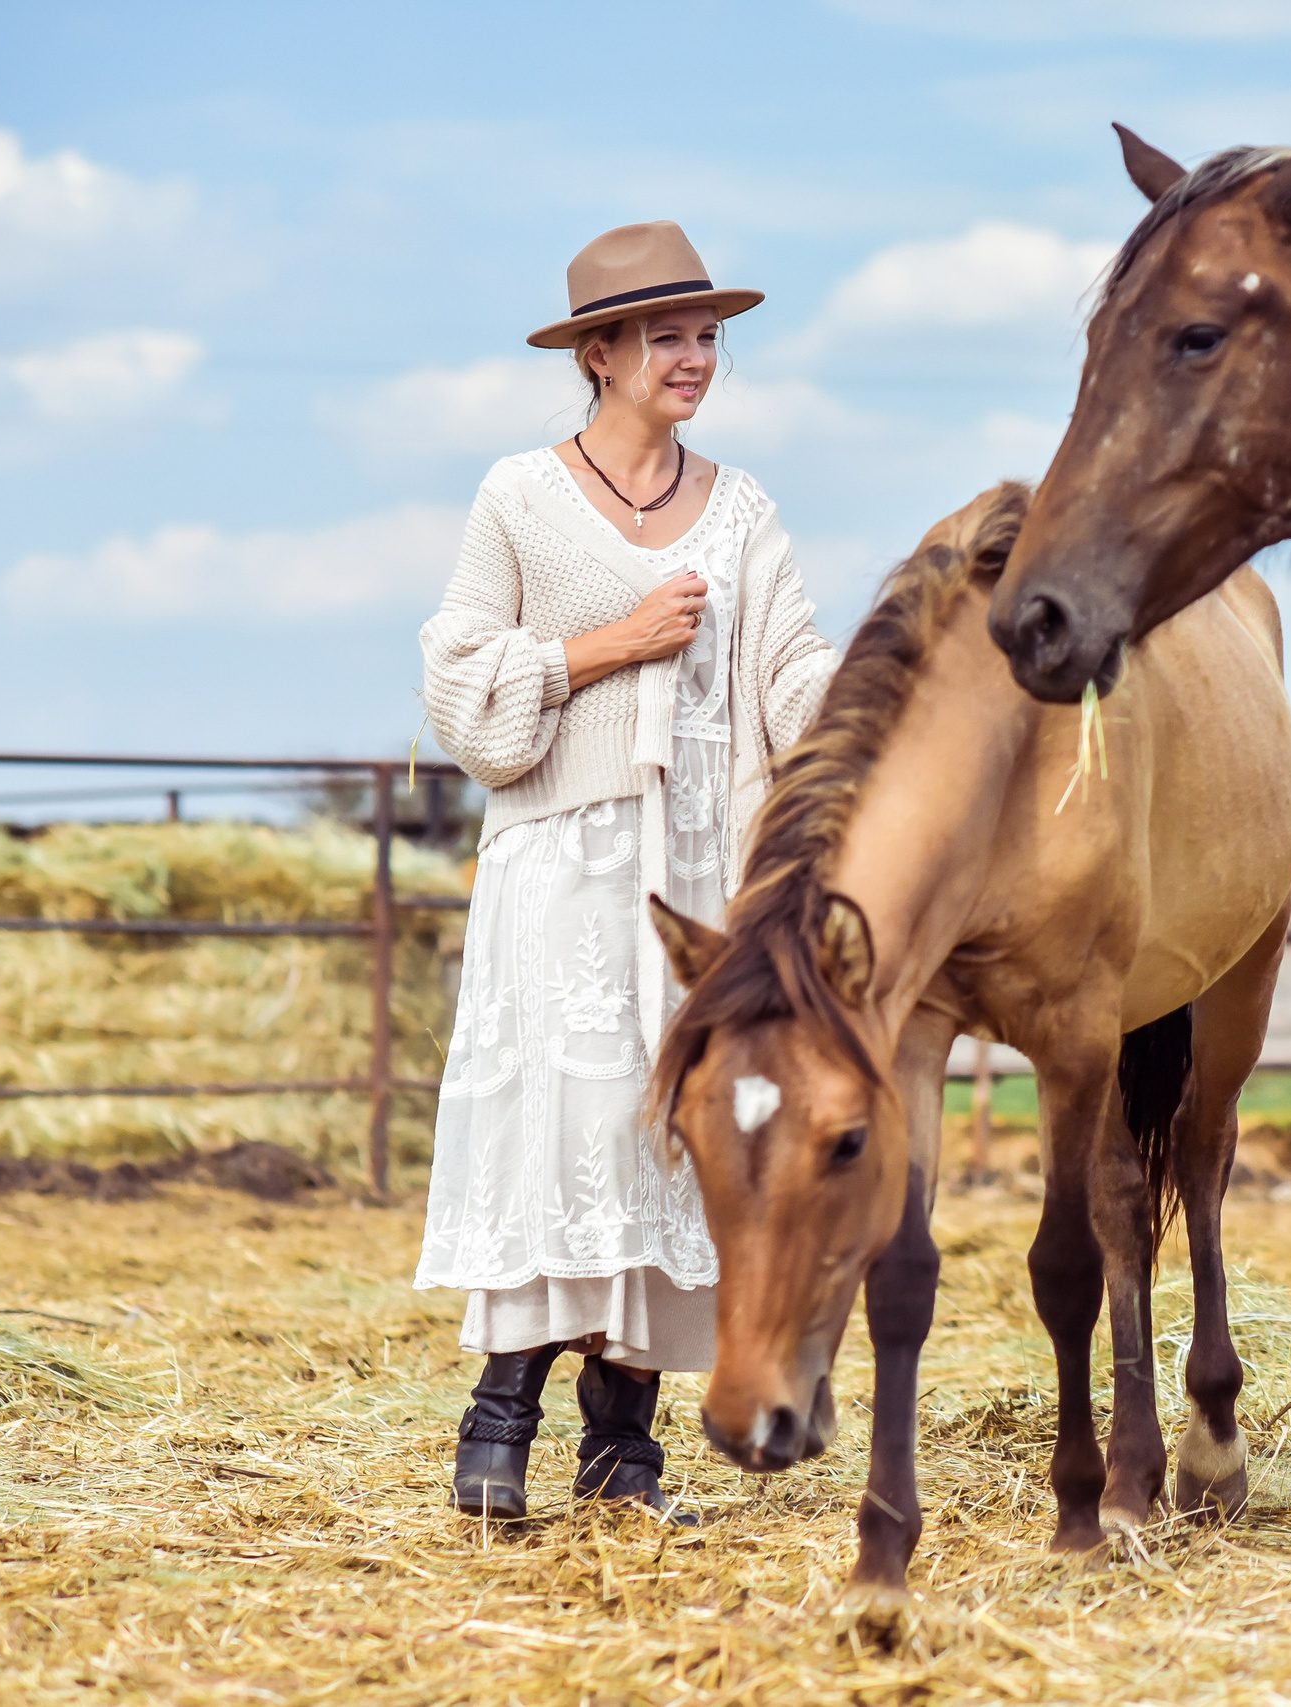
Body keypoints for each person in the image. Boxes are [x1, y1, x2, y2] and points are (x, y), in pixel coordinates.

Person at [413, 221, 836, 1522]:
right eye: (667, 337)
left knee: (679, 1141)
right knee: (567, 1133)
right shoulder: (517, 499)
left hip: (699, 883)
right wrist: (613, 643)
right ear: (598, 354)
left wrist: (887, 702)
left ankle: (623, 1455)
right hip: (563, 869)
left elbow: (792, 674)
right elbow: (458, 685)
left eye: (707, 336)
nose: (695, 357)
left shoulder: (744, 509)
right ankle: (498, 1423)